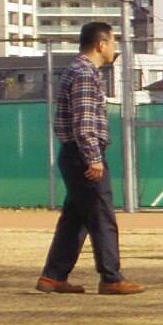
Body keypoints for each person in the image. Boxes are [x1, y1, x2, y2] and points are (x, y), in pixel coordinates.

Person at [37, 20, 141, 296]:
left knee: (76, 218)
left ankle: (53, 276)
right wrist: (93, 158)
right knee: (102, 216)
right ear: (101, 44)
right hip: (83, 155)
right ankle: (111, 278)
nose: (114, 48)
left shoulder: (77, 70)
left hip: (74, 154)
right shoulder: (84, 73)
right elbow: (84, 123)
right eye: (113, 42)